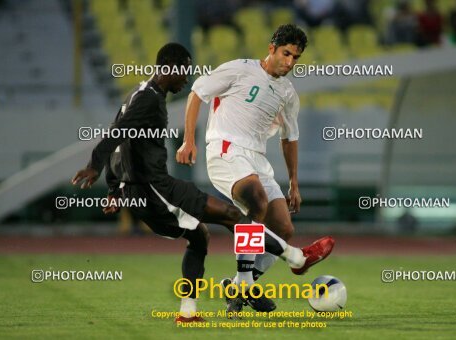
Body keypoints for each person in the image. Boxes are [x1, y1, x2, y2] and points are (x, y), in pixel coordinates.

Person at [71, 43, 334, 323]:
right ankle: (296, 258)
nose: (186, 79)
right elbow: (118, 135)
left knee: (199, 236)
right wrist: (94, 166)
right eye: (184, 71)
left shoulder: (137, 93)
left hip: (147, 191)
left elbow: (120, 142)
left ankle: (189, 312)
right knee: (233, 215)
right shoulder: (149, 99)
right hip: (155, 189)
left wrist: (114, 189)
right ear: (169, 68)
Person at [176, 24, 328, 314]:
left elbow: (289, 137)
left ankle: (236, 284)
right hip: (224, 149)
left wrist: (294, 182)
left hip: (257, 159)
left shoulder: (288, 94)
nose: (290, 62)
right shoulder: (240, 69)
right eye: (286, 54)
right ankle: (244, 285)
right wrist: (187, 140)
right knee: (255, 200)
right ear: (271, 48)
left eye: (296, 57)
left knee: (284, 227)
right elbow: (197, 92)